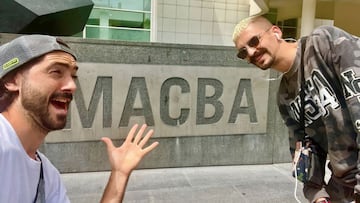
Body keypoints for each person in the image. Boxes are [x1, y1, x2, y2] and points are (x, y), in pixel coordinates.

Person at [0, 34, 159, 203]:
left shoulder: (47, 175)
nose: (72, 86)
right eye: (56, 72)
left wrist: (119, 174)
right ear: (12, 80)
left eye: (73, 76)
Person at [232, 15, 360, 203]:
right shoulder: (285, 96)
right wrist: (316, 193)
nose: (251, 52)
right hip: (345, 183)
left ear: (276, 32)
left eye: (254, 41)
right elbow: (304, 149)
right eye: (243, 52)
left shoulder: (323, 43)